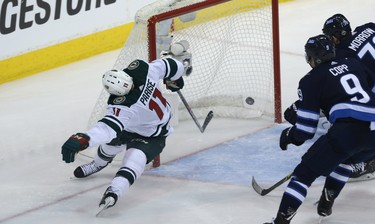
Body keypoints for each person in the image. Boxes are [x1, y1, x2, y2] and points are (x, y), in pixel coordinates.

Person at [61, 46, 191, 212]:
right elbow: (170, 65)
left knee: (134, 159)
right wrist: (85, 139)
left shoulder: (130, 94)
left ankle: (114, 190)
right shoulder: (143, 71)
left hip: (153, 133)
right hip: (130, 127)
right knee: (108, 146)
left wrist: (175, 76)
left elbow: (107, 127)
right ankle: (97, 164)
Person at [264, 34, 375, 224]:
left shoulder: (311, 79)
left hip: (349, 130)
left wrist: (289, 136)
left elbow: (306, 130)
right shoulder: (353, 63)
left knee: (303, 175)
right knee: (346, 161)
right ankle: (325, 205)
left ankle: (280, 222)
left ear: (312, 58)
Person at [322, 13, 375, 181]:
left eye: (330, 36)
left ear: (336, 37)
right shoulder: (368, 27)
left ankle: (367, 162)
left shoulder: (343, 55)